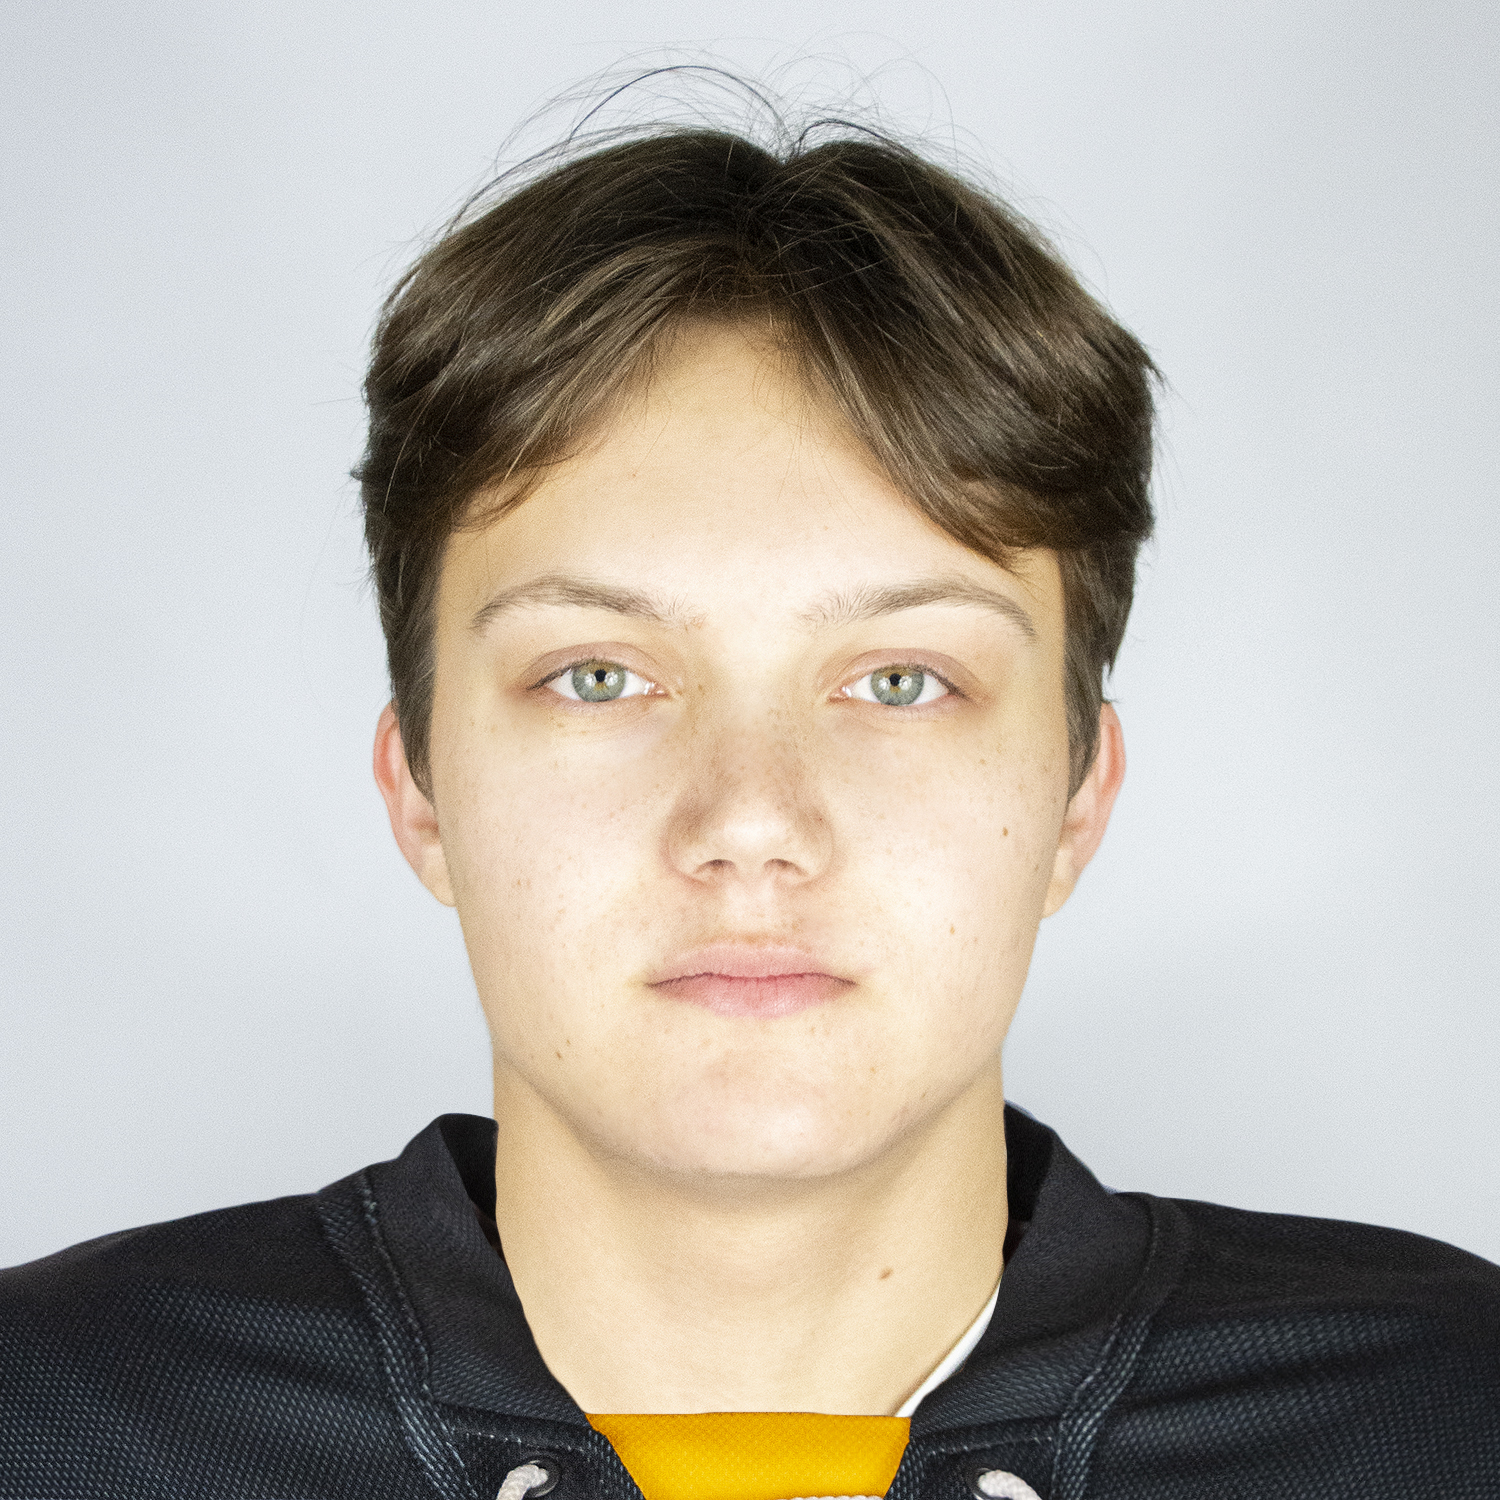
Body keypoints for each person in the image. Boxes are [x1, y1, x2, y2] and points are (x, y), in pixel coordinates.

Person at [2, 114, 1497, 1500]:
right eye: (597, 676)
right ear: (424, 795)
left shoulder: (1448, 1419)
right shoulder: (49, 1420)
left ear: (1075, 801)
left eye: (902, 681)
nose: (751, 821)